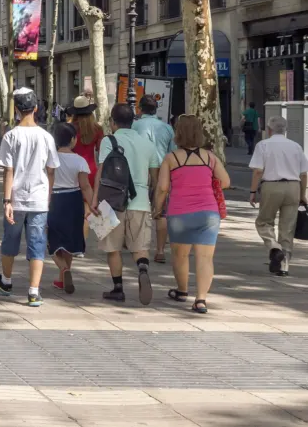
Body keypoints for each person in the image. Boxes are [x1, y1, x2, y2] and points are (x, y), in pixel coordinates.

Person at [0, 88, 59, 307]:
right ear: (36, 108)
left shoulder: (11, 136)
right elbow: (51, 170)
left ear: (17, 110)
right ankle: (33, 291)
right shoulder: (47, 137)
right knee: (37, 243)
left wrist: (6, 201)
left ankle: (7, 282)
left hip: (16, 199)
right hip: (39, 200)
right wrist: (48, 196)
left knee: (10, 240)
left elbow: (8, 171)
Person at [154, 115, 230, 313]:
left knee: (180, 255)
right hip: (209, 213)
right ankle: (201, 299)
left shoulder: (171, 158)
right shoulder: (210, 157)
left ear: (178, 133)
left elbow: (162, 187)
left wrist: (157, 208)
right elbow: (226, 182)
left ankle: (182, 290)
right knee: (205, 258)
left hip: (180, 213)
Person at [94, 103, 161, 304]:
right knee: (139, 246)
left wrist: (94, 200)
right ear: (134, 121)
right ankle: (142, 268)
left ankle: (118, 288)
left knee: (113, 247)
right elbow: (156, 179)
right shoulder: (147, 144)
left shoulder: (109, 141)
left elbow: (101, 172)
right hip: (140, 201)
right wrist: (156, 203)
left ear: (112, 122)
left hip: (112, 202)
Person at [248, 115, 308, 277]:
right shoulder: (296, 146)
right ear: (285, 130)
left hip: (271, 186)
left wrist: (253, 192)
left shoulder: (263, 145)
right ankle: (284, 266)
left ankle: (274, 247)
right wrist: (302, 195)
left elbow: (258, 171)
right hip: (293, 187)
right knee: (288, 227)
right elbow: (304, 174)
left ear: (269, 130)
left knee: (264, 221)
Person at [47, 123, 92, 294]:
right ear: (73, 140)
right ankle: (62, 276)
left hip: (55, 199)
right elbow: (85, 186)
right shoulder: (80, 161)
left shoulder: (50, 159)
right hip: (73, 200)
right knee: (70, 240)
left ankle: (63, 270)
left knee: (52, 239)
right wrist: (92, 204)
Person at [132, 96, 175, 263]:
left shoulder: (134, 126)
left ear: (140, 109)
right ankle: (160, 250)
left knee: (137, 211)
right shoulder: (167, 128)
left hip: (140, 172)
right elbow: (172, 153)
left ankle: (138, 246)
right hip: (162, 172)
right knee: (161, 213)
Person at [68, 96, 103, 190]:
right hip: (90, 170)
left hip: (72, 170)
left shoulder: (69, 129)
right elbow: (101, 154)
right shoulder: (97, 129)